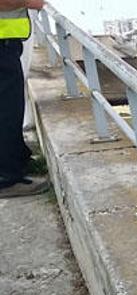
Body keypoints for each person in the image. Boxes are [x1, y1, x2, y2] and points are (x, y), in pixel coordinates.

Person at [0, 0, 47, 199]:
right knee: (7, 111)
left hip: (7, 44)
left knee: (10, 108)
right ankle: (7, 179)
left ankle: (17, 158)